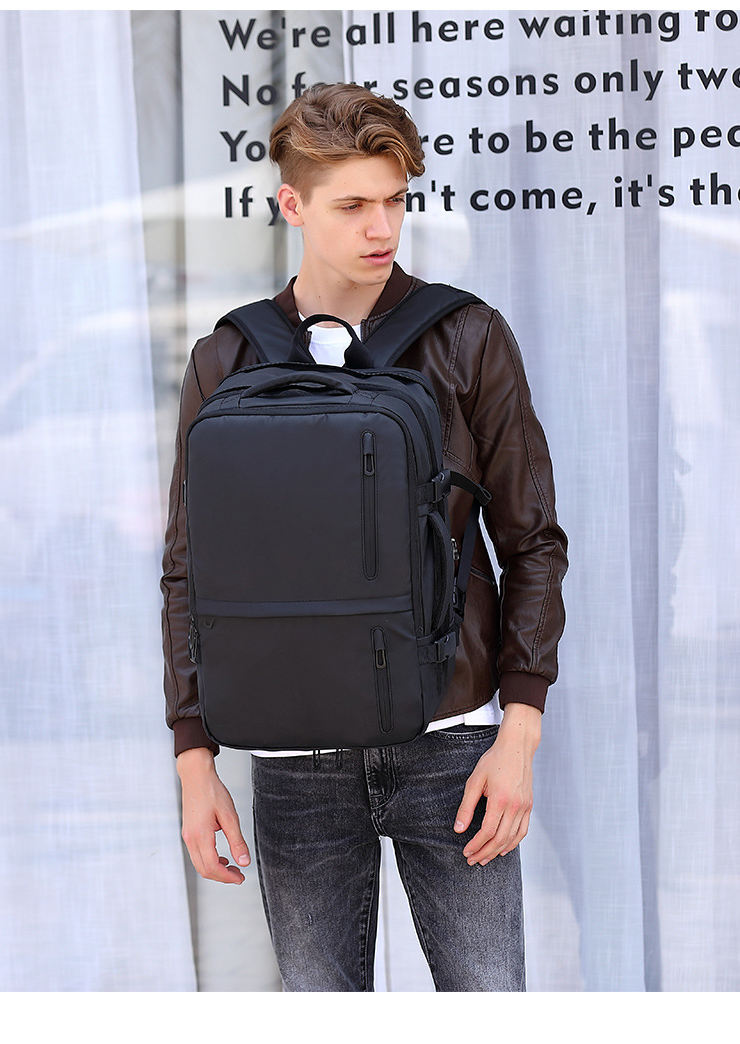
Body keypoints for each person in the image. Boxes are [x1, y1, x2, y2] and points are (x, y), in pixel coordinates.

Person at [161, 83, 567, 992]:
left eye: (395, 200)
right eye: (352, 205)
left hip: (452, 743)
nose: (381, 228)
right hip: (293, 757)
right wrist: (194, 759)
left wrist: (518, 734)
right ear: (293, 205)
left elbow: (533, 540)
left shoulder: (466, 337)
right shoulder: (228, 358)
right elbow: (189, 572)